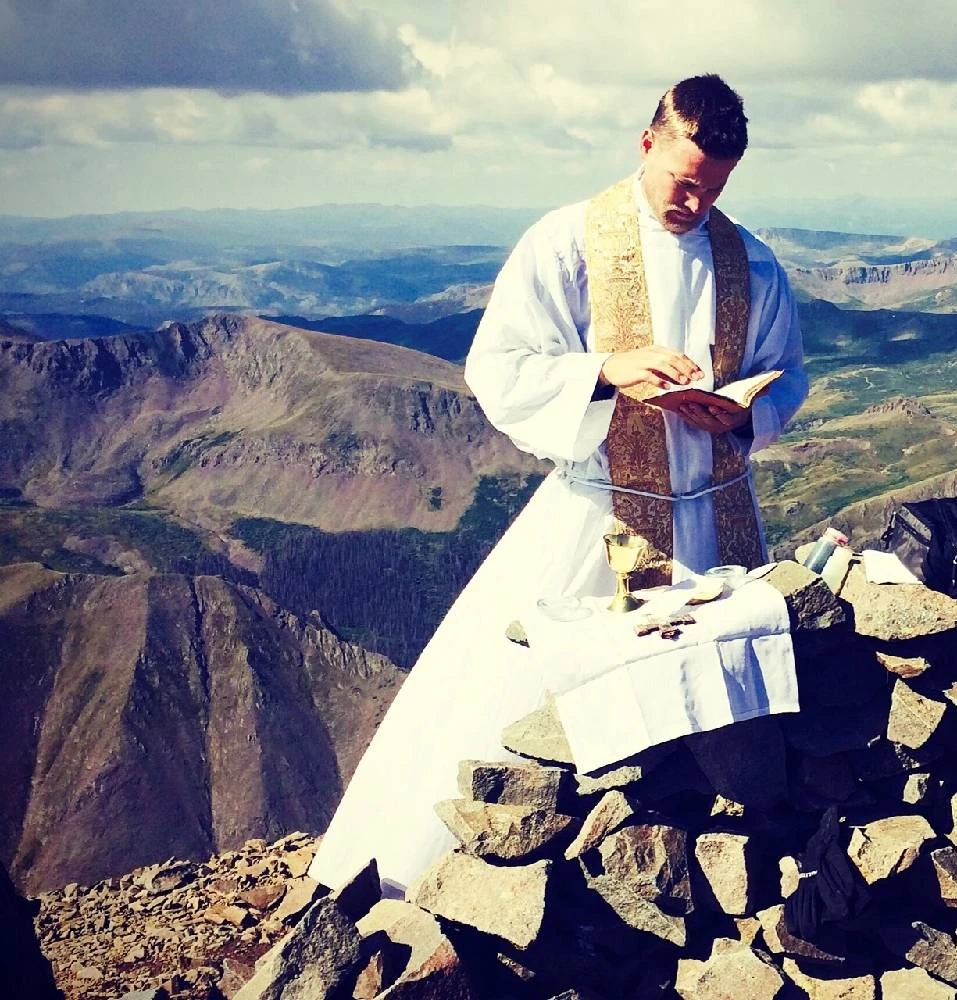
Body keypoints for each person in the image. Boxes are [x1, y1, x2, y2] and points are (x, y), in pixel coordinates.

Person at [308, 74, 808, 895]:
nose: (696, 202)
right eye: (684, 180)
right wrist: (607, 371)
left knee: (723, 708)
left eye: (714, 188)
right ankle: (484, 878)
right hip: (602, 515)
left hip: (719, 518)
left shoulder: (749, 260)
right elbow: (498, 367)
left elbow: (786, 373)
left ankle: (704, 866)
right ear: (646, 142)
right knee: (539, 707)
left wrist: (745, 416)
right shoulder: (567, 244)